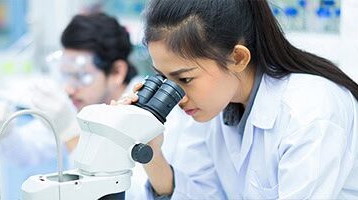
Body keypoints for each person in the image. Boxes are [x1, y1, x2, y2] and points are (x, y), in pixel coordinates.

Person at [117, 0, 358, 199]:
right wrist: (151, 153)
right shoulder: (213, 106)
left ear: (238, 58)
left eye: (185, 79)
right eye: (164, 79)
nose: (178, 97)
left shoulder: (310, 111)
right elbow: (203, 195)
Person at [0, 13, 145, 199]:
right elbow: (26, 153)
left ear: (116, 72)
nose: (69, 88)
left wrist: (70, 134)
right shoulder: (82, 105)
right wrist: (5, 131)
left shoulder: (144, 113)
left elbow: (139, 192)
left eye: (80, 76)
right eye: (66, 74)